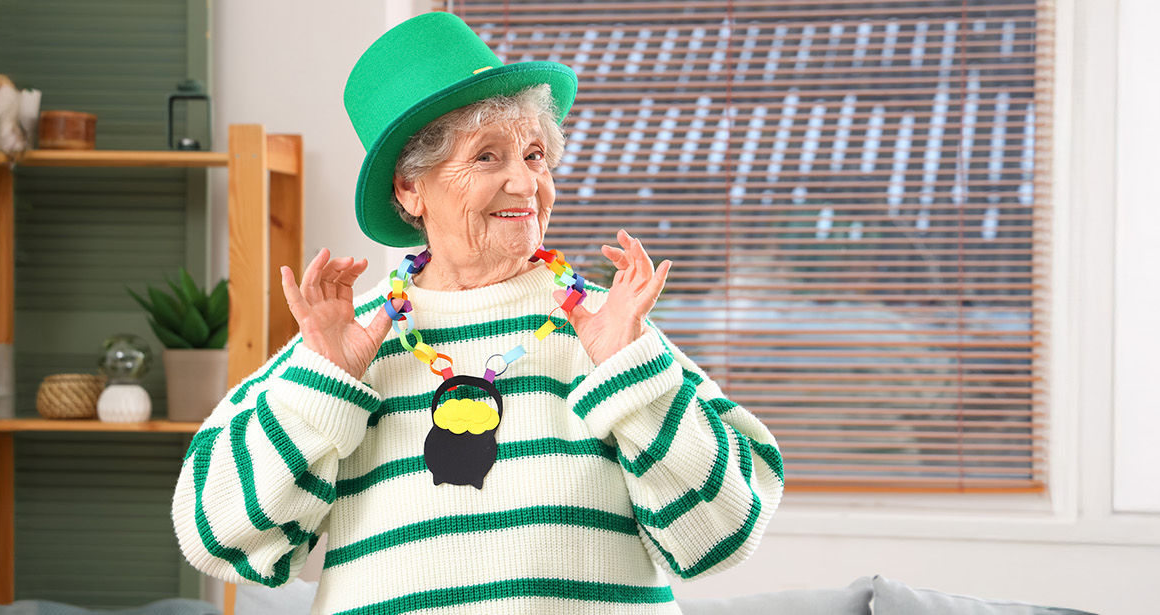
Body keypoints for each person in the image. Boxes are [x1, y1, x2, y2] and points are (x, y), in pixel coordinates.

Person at [171, 12, 784, 614]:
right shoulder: (349, 342)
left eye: (536, 154)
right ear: (410, 189)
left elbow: (723, 535)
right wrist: (323, 387)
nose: (525, 183)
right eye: (488, 157)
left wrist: (630, 376)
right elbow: (216, 537)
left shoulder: (606, 329)